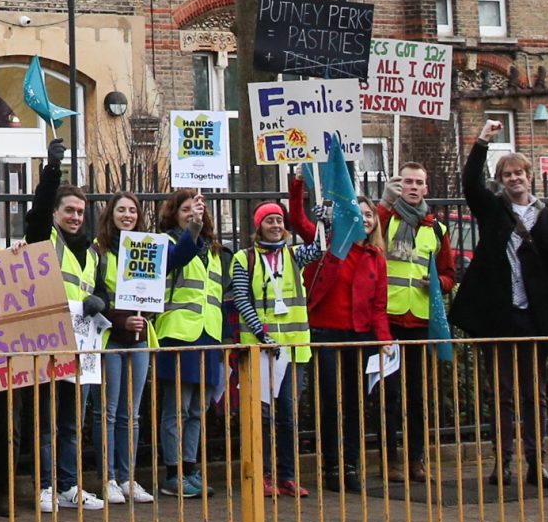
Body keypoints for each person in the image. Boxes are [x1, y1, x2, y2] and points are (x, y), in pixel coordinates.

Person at [449, 121, 548, 493]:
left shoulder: (546, 216)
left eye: (519, 172)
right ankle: (502, 460)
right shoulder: (493, 210)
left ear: (529, 175)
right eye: (508, 174)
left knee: (536, 393)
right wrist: (483, 142)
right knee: (500, 391)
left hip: (532, 317)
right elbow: (471, 183)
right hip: (498, 316)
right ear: (501, 179)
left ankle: (538, 462)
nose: (515, 178)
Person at [285, 172, 384, 493]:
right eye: (360, 213)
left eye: (370, 215)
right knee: (329, 401)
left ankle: (352, 465)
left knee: (356, 403)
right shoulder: (328, 243)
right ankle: (331, 466)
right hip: (326, 333)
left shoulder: (375, 257)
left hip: (360, 336)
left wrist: (384, 342)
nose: (364, 220)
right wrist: (298, 184)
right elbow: (297, 219)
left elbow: (379, 305)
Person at [22, 161, 107, 513]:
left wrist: (99, 299)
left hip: (81, 349)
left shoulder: (91, 253)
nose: (75, 217)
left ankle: (69, 485)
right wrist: (52, 171)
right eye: (69, 210)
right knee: (45, 421)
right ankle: (45, 486)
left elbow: (100, 291)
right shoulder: (45, 238)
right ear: (56, 213)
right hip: (47, 344)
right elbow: (38, 210)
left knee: (72, 422)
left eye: (80, 211)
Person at [228, 200, 320, 497]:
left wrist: (323, 221)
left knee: (288, 415)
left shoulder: (294, 255)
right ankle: (263, 474)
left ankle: (288, 475)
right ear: (258, 226)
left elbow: (321, 248)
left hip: (293, 351)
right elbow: (242, 298)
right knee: (262, 417)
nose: (276, 225)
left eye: (280, 220)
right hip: (261, 351)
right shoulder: (245, 258)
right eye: (270, 221)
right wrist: (260, 332)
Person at [374, 163, 457, 483]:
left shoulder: (437, 230)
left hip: (420, 320)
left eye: (417, 182)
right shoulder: (389, 221)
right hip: (389, 319)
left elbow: (449, 274)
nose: (411, 187)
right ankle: (390, 460)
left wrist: (436, 283)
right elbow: (370, 241)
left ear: (426, 188)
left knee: (418, 396)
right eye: (406, 181)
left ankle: (417, 460)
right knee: (388, 394)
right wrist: (383, 203)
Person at [152, 189, 225, 500]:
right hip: (179, 332)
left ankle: (190, 467)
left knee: (197, 410)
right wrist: (192, 227)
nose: (192, 214)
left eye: (196, 210)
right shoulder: (167, 242)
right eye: (185, 209)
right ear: (174, 213)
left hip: (209, 335)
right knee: (177, 409)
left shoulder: (215, 250)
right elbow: (176, 260)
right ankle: (173, 473)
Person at [95, 193, 157, 505]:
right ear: (111, 214)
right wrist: (122, 322)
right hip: (111, 338)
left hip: (140, 338)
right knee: (108, 412)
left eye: (133, 210)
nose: (128, 215)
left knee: (131, 414)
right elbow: (98, 296)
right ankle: (107, 479)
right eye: (122, 209)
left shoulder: (147, 249)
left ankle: (127, 477)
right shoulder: (100, 251)